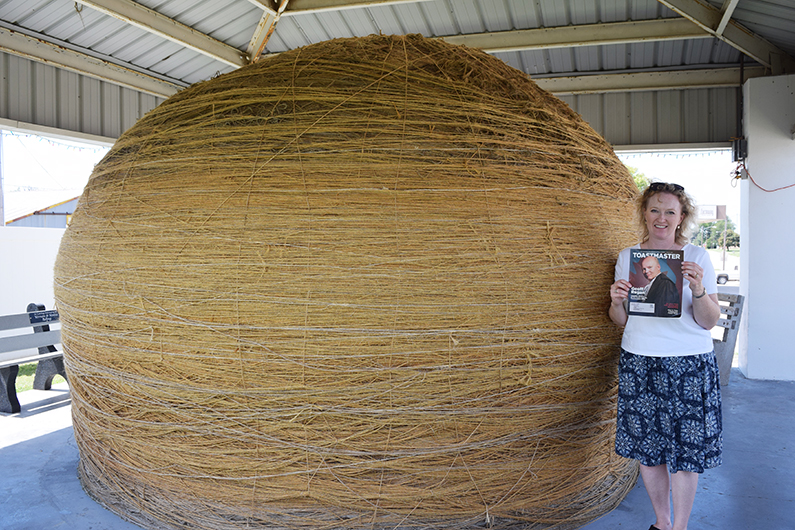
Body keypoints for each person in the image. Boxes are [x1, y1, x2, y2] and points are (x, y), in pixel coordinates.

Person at [608, 182, 722, 530]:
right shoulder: (628, 258)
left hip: (689, 363)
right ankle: (661, 522)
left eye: (670, 211)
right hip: (640, 361)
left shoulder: (697, 256)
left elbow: (709, 321)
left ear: (681, 217)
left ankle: (680, 526)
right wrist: (615, 301)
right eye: (655, 210)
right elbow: (621, 321)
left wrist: (699, 289)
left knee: (687, 453)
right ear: (644, 213)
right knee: (648, 449)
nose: (661, 218)